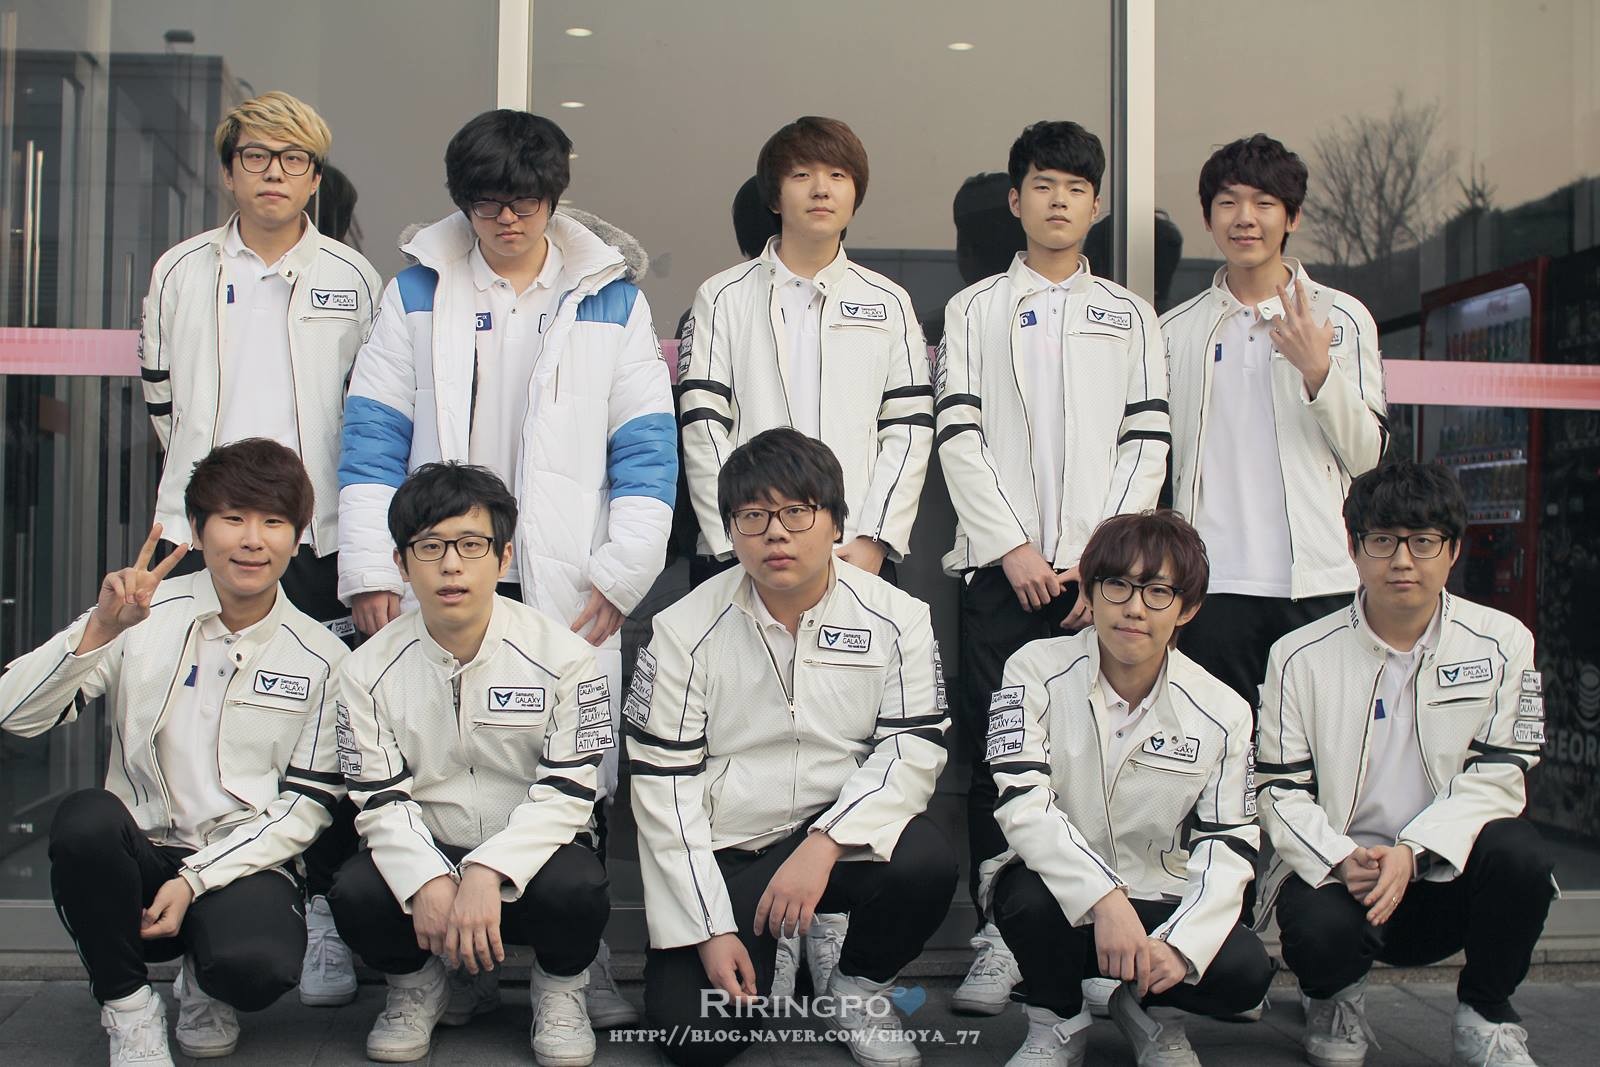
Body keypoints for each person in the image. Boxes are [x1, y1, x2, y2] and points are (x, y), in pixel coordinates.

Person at [338, 108, 675, 1025]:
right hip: (445, 560)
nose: (508, 219)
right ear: (464, 203)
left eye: (526, 201)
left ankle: (577, 961)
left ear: (555, 196)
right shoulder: (418, 289)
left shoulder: (610, 295)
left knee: (574, 767)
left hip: (563, 572)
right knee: (437, 755)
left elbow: (646, 446)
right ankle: (449, 957)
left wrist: (622, 572)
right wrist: (371, 566)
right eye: (487, 203)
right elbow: (373, 435)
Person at [138, 92, 379, 1005]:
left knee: (320, 724)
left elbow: (369, 414)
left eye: (293, 159)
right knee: (190, 719)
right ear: (228, 169)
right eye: (256, 156)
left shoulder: (353, 279)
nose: (273, 173)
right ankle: (195, 905)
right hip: (199, 534)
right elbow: (162, 400)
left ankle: (317, 909)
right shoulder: (179, 271)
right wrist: (206, 506)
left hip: (313, 537)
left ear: (315, 177)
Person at [0, 439, 349, 1066]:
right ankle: (129, 1008)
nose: (252, 540)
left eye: (273, 522)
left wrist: (196, 879)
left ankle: (208, 984)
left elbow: (305, 808)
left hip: (242, 861)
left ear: (298, 537)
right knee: (85, 821)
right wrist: (99, 629)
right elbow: (15, 714)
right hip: (142, 855)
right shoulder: (142, 613)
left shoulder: (323, 657)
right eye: (233, 518)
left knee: (257, 967)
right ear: (197, 527)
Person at [934, 120, 1168, 1015]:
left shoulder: (1130, 314)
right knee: (1001, 755)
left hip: (1102, 580)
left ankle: (1106, 929)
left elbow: (1148, 441)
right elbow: (958, 435)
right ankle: (1001, 935)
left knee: (1098, 752)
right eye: (1042, 184)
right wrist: (1014, 547)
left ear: (1097, 205)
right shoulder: (973, 308)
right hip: (1005, 575)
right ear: (1016, 199)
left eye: (1075, 187)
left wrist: (1097, 559)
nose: (1059, 200)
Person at [629, 428, 956, 1067]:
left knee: (924, 861)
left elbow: (912, 751)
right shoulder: (683, 630)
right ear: (731, 531)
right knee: (697, 1041)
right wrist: (711, 928)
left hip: (841, 836)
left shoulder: (898, 617)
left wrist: (825, 842)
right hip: (733, 847)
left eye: (797, 512)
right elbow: (663, 788)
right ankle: (770, 942)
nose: (775, 533)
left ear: (835, 522)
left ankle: (854, 985)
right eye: (753, 516)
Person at [1257, 461, 1554, 1067]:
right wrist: (1339, 857)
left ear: (1453, 550)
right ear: (1353, 548)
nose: (1402, 561)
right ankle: (1334, 998)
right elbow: (1277, 788)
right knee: (1318, 930)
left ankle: (1486, 1014)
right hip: (1348, 878)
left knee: (1520, 856)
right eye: (1382, 541)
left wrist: (1415, 852)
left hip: (1447, 872)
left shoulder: (1503, 642)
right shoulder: (1298, 655)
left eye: (1423, 542)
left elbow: (1503, 774)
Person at [328, 462, 610, 1065]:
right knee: (356, 890)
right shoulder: (365, 670)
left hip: (532, 857)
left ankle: (561, 989)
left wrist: (488, 870)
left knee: (579, 886)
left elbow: (568, 792)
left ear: (504, 558)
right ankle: (419, 986)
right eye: (429, 547)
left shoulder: (566, 658)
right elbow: (378, 800)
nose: (451, 565)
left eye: (471, 545)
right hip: (431, 848)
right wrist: (426, 877)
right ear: (401, 564)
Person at [986, 510, 1268, 1065]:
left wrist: (1181, 945)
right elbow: (1022, 802)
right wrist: (1104, 898)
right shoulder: (1033, 669)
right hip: (1059, 894)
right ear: (1090, 593)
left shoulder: (1224, 710)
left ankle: (1151, 1011)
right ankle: (1055, 1020)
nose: (1134, 608)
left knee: (1244, 970)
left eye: (1158, 592)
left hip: (1161, 898)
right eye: (1117, 585)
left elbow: (1230, 843)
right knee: (1024, 899)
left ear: (1187, 608)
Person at [1161, 133, 1388, 709]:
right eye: (1228, 202)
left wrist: (1318, 370)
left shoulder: (1342, 318)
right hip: (1211, 586)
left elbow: (1367, 456)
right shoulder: (1174, 331)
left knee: (1323, 745)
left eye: (1264, 203)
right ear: (1208, 218)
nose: (1245, 218)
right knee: (1219, 747)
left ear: (1292, 217)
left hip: (1320, 580)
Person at [677, 116, 932, 590]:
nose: (821, 189)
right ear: (774, 197)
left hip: (856, 552)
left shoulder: (889, 302)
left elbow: (909, 429)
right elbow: (702, 425)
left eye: (837, 175)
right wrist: (737, 540)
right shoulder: (722, 296)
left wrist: (876, 538)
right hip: (749, 552)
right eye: (801, 175)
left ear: (856, 193)